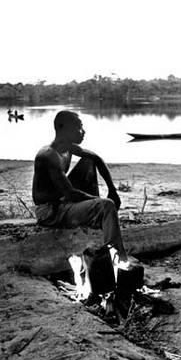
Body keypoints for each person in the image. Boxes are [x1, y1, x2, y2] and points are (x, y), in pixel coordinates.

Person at [32, 110, 129, 261]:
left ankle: (97, 217)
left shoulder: (68, 148)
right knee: (106, 206)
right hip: (50, 212)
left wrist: (112, 190)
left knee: (89, 161)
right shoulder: (48, 155)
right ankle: (118, 260)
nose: (83, 132)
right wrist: (97, 202)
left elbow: (96, 158)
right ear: (63, 129)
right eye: (79, 127)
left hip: (62, 200)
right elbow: (71, 194)